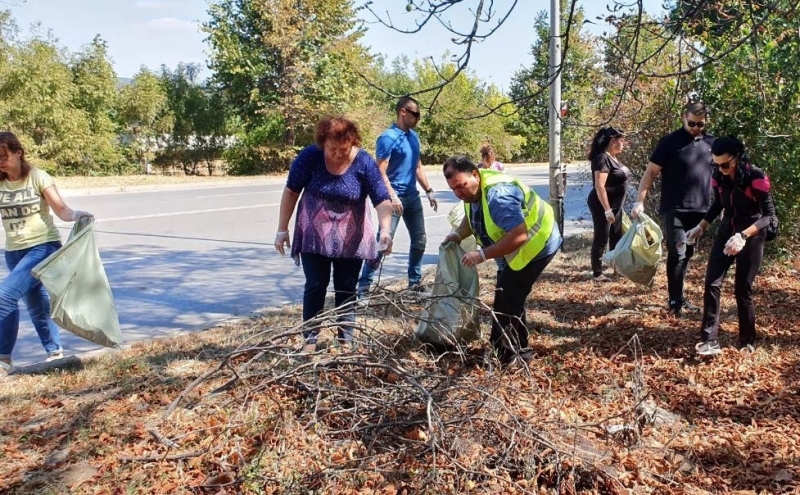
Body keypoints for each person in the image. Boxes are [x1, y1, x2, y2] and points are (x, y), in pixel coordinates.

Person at [275, 116, 394, 353]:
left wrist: (386, 230)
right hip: (313, 233)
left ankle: (345, 341)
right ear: (322, 143)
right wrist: (282, 229)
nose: (338, 153)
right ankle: (309, 341)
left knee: (347, 287)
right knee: (316, 285)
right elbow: (291, 191)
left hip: (352, 237)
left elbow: (381, 198)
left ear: (353, 143)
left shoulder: (364, 162)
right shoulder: (310, 156)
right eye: (332, 149)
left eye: (344, 149)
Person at [441, 155, 562, 365]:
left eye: (461, 186)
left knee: (507, 300)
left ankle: (509, 357)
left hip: (537, 244)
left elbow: (519, 236)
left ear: (475, 175)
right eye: (454, 189)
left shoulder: (498, 196)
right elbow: (473, 216)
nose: (459, 193)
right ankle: (513, 351)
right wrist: (458, 234)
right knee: (508, 296)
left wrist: (482, 254)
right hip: (515, 249)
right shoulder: (474, 192)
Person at [0, 131, 94, 377]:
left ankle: (3, 360)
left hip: (43, 247)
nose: (0, 161)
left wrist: (77, 215)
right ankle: (55, 353)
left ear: (18, 152)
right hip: (14, 252)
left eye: (3, 155)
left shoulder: (38, 177)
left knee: (5, 295)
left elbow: (61, 210)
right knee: (36, 306)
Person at [685, 136, 777, 356]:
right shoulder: (720, 176)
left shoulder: (756, 176)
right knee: (712, 283)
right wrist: (701, 226)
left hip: (752, 234)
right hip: (727, 232)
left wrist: (743, 236)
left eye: (725, 164)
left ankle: (747, 341)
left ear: (737, 158)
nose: (720, 169)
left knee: (742, 289)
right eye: (716, 164)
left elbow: (769, 216)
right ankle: (709, 340)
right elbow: (718, 203)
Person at [631, 101, 715, 317]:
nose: (696, 128)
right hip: (675, 209)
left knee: (687, 254)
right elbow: (650, 173)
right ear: (683, 117)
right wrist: (639, 201)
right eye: (692, 123)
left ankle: (680, 295)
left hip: (701, 211)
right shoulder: (669, 142)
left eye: (701, 124)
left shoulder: (711, 143)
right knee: (677, 254)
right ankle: (674, 301)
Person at [357, 96, 438, 297]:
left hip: (412, 197)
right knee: (383, 243)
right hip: (392, 200)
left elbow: (417, 166)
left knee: (420, 241)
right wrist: (392, 196)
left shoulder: (414, 137)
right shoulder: (387, 138)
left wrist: (429, 191)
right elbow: (380, 171)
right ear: (403, 111)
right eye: (415, 114)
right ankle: (363, 289)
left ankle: (414, 284)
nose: (418, 118)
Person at [586, 127, 629, 282]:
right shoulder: (602, 159)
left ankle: (617, 269)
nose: (623, 144)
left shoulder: (613, 158)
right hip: (603, 205)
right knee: (601, 237)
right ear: (612, 141)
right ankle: (597, 274)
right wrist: (607, 210)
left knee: (617, 236)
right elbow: (599, 186)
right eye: (621, 140)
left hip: (616, 206)